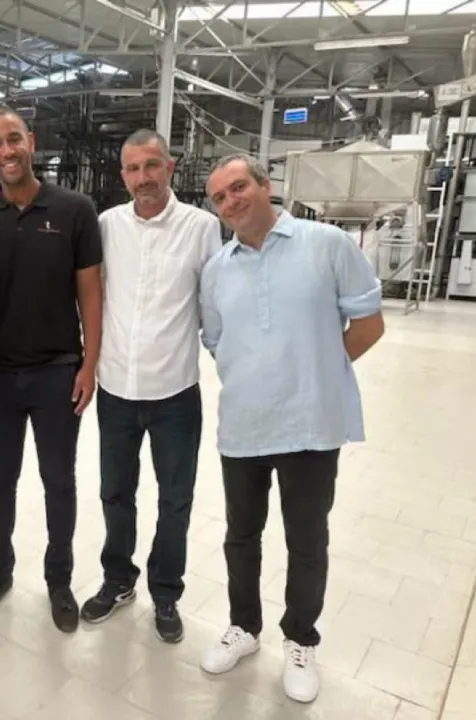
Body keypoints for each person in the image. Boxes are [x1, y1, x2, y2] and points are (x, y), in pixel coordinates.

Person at [199, 154, 384, 703]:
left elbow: (369, 323)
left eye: (239, 188)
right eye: (219, 198)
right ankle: (244, 628)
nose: (232, 202)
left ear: (265, 185)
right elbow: (216, 341)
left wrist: (318, 371)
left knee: (306, 540)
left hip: (310, 423)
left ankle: (300, 639)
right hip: (245, 424)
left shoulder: (325, 244)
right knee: (241, 535)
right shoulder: (216, 269)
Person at [0, 106, 103, 633]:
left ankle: (59, 580)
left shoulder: (74, 210)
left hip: (56, 372)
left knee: (57, 481)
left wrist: (89, 363)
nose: (7, 150)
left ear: (31, 142)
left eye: (14, 139)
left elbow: (90, 291)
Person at [79, 130, 222, 643]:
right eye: (133, 169)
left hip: (175, 393)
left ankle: (166, 593)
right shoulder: (106, 226)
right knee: (115, 493)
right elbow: (92, 299)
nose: (143, 178)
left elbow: (214, 306)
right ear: (123, 175)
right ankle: (118, 580)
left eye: (152, 166)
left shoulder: (202, 228)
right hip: (116, 388)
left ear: (171, 166)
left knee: (174, 499)